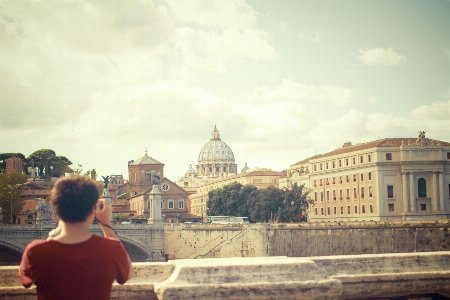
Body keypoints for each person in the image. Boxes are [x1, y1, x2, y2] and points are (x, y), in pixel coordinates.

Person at [20, 175, 133, 300]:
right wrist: (106, 224)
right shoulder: (112, 249)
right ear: (93, 210)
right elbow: (127, 275)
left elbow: (26, 281)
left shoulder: (34, 251)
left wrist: (52, 236)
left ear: (55, 208)